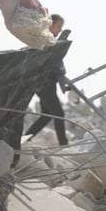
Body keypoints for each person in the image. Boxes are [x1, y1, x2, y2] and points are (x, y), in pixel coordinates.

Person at [25, 13, 69, 145]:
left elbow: (55, 63)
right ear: (50, 25)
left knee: (47, 115)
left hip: (50, 83)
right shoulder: (42, 41)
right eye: (58, 26)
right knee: (58, 114)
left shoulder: (51, 42)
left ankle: (27, 138)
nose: (60, 29)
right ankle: (64, 144)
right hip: (43, 84)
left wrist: (62, 76)